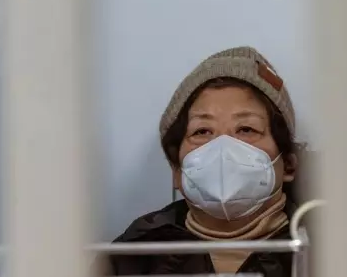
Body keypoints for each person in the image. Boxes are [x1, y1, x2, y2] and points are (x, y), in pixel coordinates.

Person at [101, 46, 308, 276]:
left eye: (246, 129)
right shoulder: (133, 258)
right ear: (177, 171)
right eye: (202, 132)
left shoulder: (333, 251)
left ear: (288, 164)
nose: (223, 148)